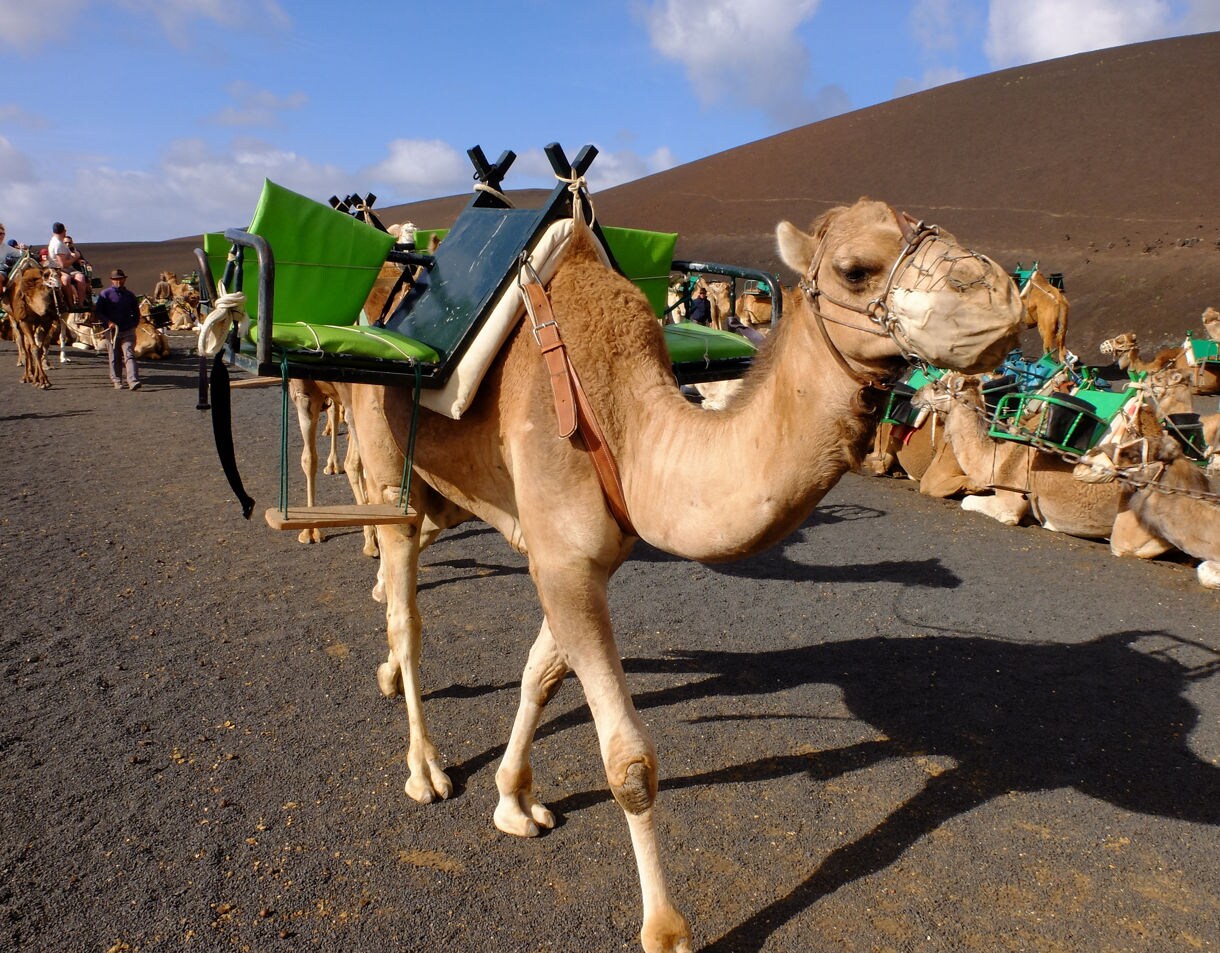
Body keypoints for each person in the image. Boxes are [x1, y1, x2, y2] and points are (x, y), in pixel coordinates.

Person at [93, 268, 142, 390]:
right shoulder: (105, 294)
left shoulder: (130, 295)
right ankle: (117, 380)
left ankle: (133, 381)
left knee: (129, 354)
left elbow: (136, 311)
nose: (118, 281)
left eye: (120, 279)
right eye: (116, 279)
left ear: (124, 279)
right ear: (111, 280)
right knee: (114, 356)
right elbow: (99, 312)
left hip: (128, 330)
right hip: (112, 331)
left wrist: (134, 324)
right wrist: (108, 322)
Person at [48, 222, 89, 308]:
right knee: (66, 279)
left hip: (68, 268)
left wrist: (75, 259)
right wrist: (76, 257)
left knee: (80, 277)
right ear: (64, 231)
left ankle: (81, 304)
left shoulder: (58, 242)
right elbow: (62, 264)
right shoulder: (58, 244)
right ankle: (71, 305)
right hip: (58, 269)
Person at [0, 224, 28, 302]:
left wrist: (23, 248)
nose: (1, 236)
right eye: (0, 234)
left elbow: (20, 254)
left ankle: (2, 301)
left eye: (3, 234)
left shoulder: (5, 247)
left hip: (1, 271)